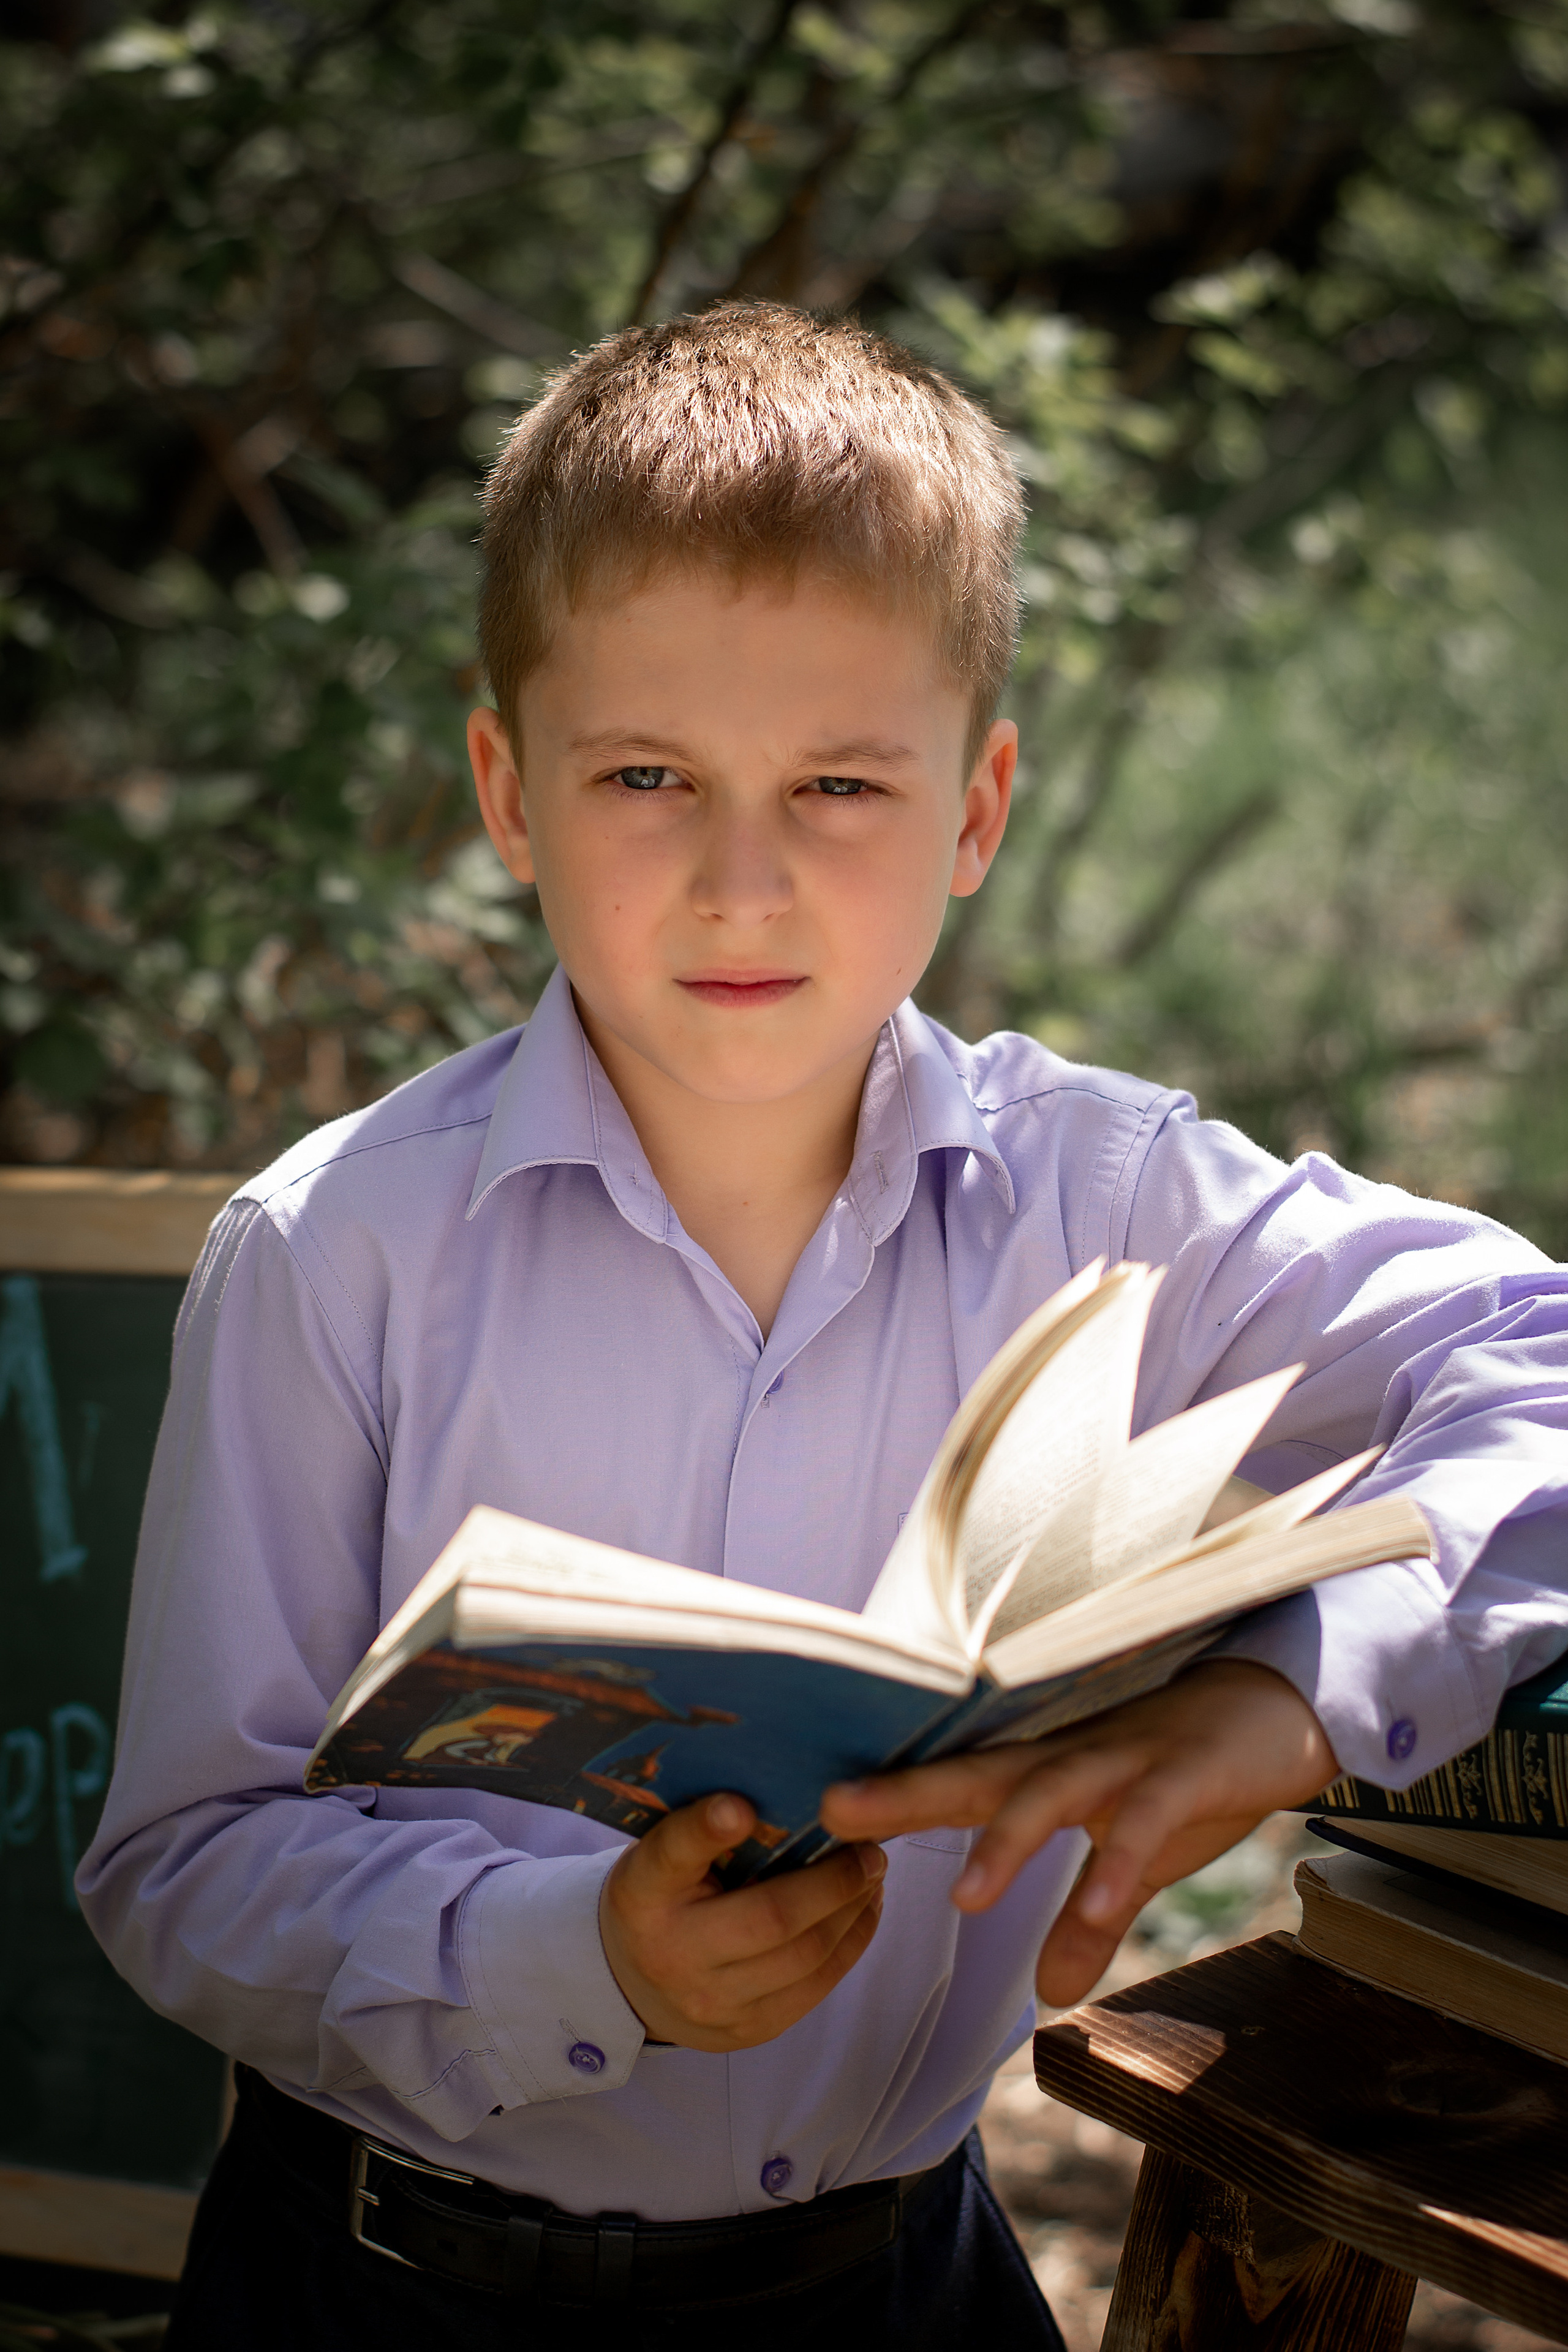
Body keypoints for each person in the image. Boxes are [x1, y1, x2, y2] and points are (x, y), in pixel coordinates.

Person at [79, 304, 1568, 2351]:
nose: (743, 881)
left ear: (978, 808)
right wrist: (578, 1956)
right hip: (382, 2286)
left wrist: (1298, 1693)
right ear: (508, 792)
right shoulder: (337, 1252)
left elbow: (1538, 1356)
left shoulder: (1113, 1201)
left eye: (841, 784)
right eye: (648, 776)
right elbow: (183, 1862)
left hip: (896, 2289)